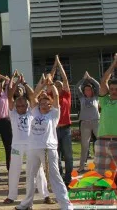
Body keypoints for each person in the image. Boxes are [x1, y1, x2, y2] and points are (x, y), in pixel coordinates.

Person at [16, 75, 73, 210]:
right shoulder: (35, 111)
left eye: (46, 103)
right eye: (41, 103)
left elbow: (57, 96)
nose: (43, 104)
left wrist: (51, 84)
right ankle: (26, 204)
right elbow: (33, 96)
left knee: (54, 177)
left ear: (50, 104)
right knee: (30, 177)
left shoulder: (53, 114)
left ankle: (66, 204)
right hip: (33, 148)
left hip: (48, 148)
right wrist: (41, 84)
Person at [3, 72, 54, 205]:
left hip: (32, 145)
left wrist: (24, 83)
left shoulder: (32, 111)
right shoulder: (13, 113)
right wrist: (15, 82)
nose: (20, 108)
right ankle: (11, 196)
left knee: (38, 172)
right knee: (14, 170)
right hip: (16, 146)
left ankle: (45, 195)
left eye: (23, 105)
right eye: (18, 105)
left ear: (27, 106)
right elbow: (9, 96)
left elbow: (32, 96)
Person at [50, 55, 73, 186]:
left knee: (68, 156)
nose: (58, 87)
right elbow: (49, 80)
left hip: (66, 129)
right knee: (56, 157)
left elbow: (65, 79)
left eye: (60, 86)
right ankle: (60, 178)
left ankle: (68, 178)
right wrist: (54, 66)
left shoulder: (67, 96)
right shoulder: (50, 97)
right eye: (56, 86)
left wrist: (59, 64)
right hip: (54, 129)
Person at [95, 53, 117, 177]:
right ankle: (100, 196)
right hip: (102, 142)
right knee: (100, 175)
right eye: (112, 89)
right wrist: (114, 64)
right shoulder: (105, 100)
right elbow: (104, 80)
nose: (114, 91)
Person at [75, 71, 100, 172]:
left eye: (89, 89)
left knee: (99, 144)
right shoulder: (82, 98)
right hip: (85, 123)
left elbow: (98, 86)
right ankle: (81, 166)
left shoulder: (96, 97)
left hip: (96, 122)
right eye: (85, 90)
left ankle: (98, 164)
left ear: (92, 91)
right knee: (84, 145)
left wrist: (90, 78)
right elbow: (77, 87)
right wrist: (84, 79)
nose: (87, 91)